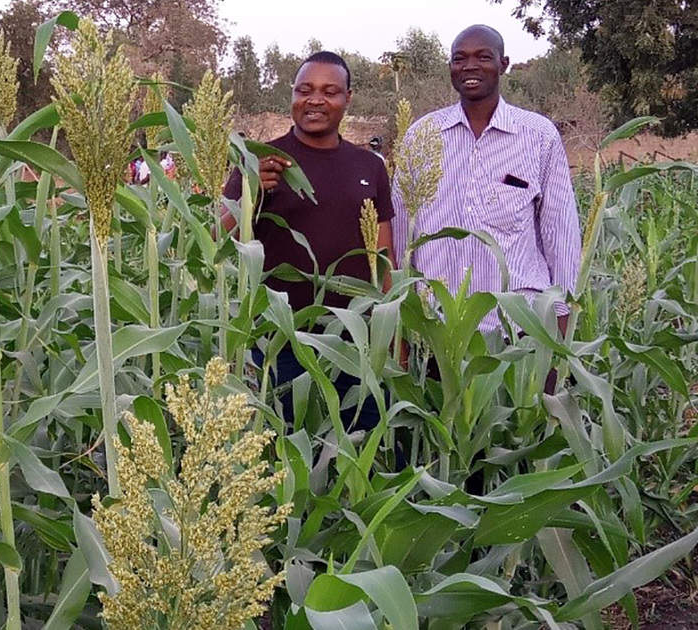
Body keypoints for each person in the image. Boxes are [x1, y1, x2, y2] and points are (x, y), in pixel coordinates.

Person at [222, 51, 395, 432]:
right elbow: (218, 238)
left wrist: (390, 333)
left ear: (348, 98)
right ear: (293, 95)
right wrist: (251, 192)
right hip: (277, 341)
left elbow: (383, 257)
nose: (315, 100)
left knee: (357, 447)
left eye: (329, 91)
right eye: (305, 89)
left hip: (354, 341)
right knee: (284, 453)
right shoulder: (259, 159)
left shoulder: (369, 167)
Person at [391, 25, 581, 336]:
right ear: (450, 67)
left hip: (518, 326)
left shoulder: (538, 136)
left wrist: (560, 319)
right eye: (459, 58)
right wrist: (402, 317)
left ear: (503, 64)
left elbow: (560, 234)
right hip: (436, 328)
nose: (470, 66)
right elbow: (401, 232)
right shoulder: (422, 135)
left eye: (483, 57)